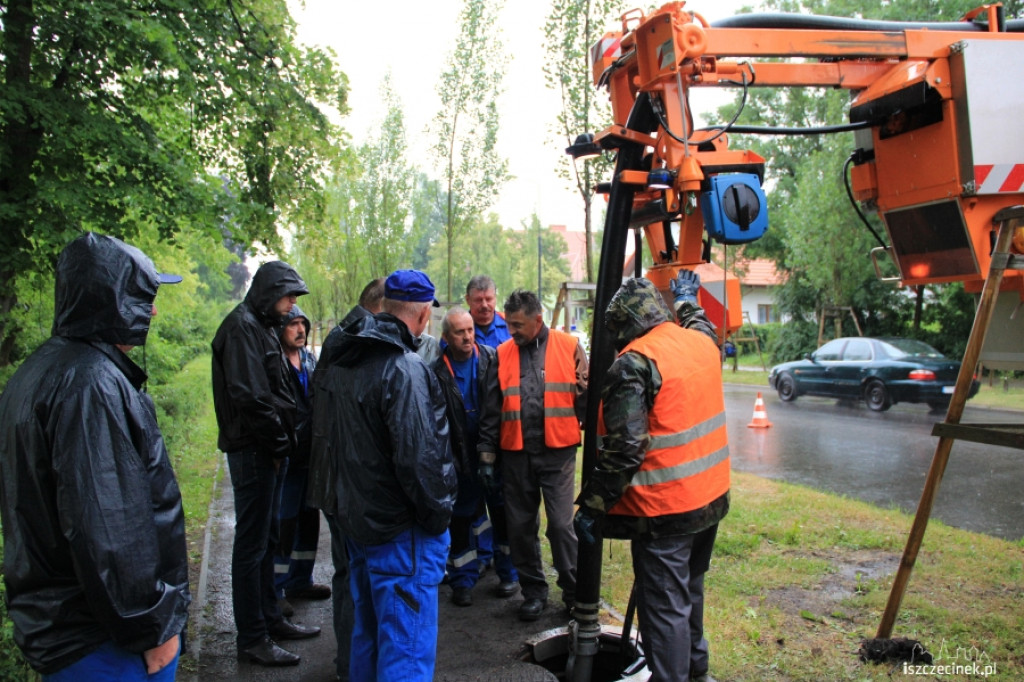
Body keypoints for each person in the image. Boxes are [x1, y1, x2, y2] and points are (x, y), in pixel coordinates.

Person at [0, 232, 190, 680]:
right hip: (104, 641)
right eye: (145, 297)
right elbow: (109, 527)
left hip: (65, 626)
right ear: (114, 299)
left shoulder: (39, 371)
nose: (155, 310)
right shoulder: (91, 386)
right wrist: (153, 629)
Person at [574, 273, 729, 682]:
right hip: (710, 500)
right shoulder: (698, 342)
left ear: (622, 326)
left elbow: (625, 448)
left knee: (664, 609)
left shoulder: (634, 364)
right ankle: (697, 671)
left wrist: (592, 506)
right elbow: (701, 323)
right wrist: (686, 298)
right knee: (689, 590)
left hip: (665, 512)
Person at [313, 269, 456, 682]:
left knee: (369, 638)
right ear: (424, 313)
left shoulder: (345, 359)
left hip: (360, 523)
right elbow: (419, 461)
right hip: (401, 533)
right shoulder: (404, 367)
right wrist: (438, 519)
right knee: (405, 653)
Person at [212, 260, 320, 667]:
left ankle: (271, 619)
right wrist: (280, 445)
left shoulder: (258, 326)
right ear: (269, 293)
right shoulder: (241, 328)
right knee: (253, 546)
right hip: (254, 450)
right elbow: (252, 397)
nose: (292, 305)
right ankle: (253, 638)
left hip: (265, 449)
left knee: (266, 541)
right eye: (289, 296)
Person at [497, 289, 588, 621]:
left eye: (518, 325)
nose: (513, 332)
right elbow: (494, 409)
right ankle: (533, 593)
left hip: (557, 454)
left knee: (562, 527)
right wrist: (487, 455)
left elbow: (586, 398)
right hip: (516, 455)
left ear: (538, 320)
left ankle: (575, 594)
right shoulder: (502, 353)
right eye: (509, 325)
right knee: (520, 528)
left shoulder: (568, 346)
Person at [432, 306, 513, 606]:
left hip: (497, 454)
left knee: (502, 514)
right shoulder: (436, 371)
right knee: (462, 519)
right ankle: (462, 580)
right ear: (446, 337)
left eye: (470, 331)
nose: (467, 337)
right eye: (459, 332)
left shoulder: (493, 359)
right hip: (459, 457)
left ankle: (509, 574)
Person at [462, 275, 518, 595]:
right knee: (470, 503)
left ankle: (508, 569)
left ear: (495, 299)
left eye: (488, 299)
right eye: (478, 300)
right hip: (466, 432)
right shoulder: (456, 331)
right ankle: (479, 558)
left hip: (503, 431)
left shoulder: (509, 329)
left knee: (502, 503)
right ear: (468, 301)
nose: (484, 305)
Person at [274, 305, 331, 617]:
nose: (299, 330)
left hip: (311, 456)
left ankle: (301, 579)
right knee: (284, 523)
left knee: (309, 518)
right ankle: (277, 587)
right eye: (292, 324)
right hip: (287, 457)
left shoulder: (309, 360)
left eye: (302, 324)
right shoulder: (276, 363)